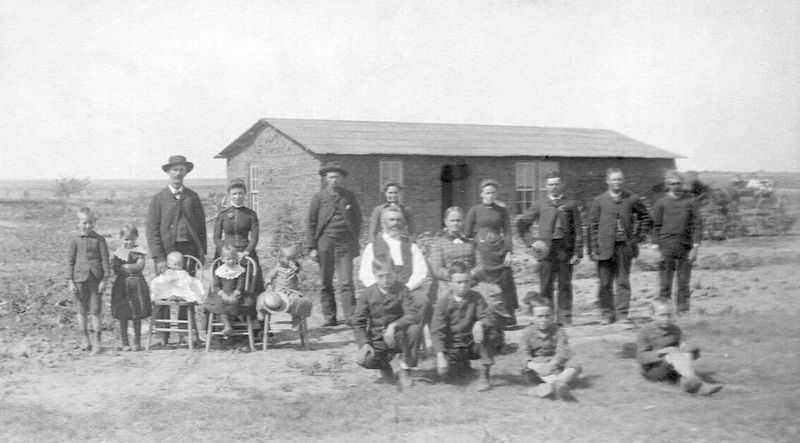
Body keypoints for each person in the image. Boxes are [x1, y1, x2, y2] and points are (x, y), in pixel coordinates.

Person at [146, 155, 207, 340]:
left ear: (186, 173)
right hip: (166, 252)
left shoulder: (192, 197)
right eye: (174, 169)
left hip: (189, 250)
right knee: (164, 291)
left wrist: (201, 252)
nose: (178, 173)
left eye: (181, 170)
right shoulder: (159, 199)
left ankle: (184, 332)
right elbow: (152, 229)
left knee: (186, 290)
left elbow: (201, 226)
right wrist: (159, 257)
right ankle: (163, 333)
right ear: (168, 172)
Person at [515, 172, 583, 324]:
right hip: (546, 251)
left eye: (556, 184)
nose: (554, 187)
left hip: (565, 250)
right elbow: (521, 224)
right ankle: (547, 317)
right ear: (546, 187)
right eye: (551, 184)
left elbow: (578, 229)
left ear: (562, 185)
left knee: (565, 284)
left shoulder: (570, 204)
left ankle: (565, 317)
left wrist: (578, 251)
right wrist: (531, 242)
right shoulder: (540, 204)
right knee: (546, 285)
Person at [588, 168, 651, 324]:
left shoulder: (632, 199)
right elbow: (592, 226)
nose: (617, 182)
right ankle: (606, 313)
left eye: (620, 179)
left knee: (623, 281)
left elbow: (646, 218)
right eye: (614, 179)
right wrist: (593, 248)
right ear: (607, 181)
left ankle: (622, 314)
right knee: (604, 283)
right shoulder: (599, 201)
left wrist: (637, 237)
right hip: (604, 248)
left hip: (625, 247)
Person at [352, 259, 425, 390]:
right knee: (364, 359)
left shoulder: (402, 290)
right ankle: (384, 367)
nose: (385, 280)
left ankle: (405, 369)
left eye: (389, 275)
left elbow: (413, 314)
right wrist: (365, 343)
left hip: (399, 335)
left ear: (394, 273)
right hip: (377, 338)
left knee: (414, 329)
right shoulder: (367, 294)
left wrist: (393, 326)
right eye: (381, 276)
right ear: (374, 274)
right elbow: (358, 322)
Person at [432, 261, 503, 392]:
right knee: (448, 377)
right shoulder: (443, 302)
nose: (463, 286)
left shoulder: (476, 297)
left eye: (466, 282)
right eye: (458, 282)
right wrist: (440, 355)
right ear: (450, 283)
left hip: (473, 343)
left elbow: (488, 316)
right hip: (453, 346)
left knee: (487, 332)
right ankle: (463, 366)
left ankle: (484, 376)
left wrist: (480, 323)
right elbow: (437, 331)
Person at [306, 161, 363, 326]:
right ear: (325, 179)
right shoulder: (318, 197)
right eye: (331, 177)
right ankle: (329, 318)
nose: (334, 180)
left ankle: (350, 316)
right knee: (325, 282)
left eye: (337, 177)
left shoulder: (349, 196)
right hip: (325, 243)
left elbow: (358, 220)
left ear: (342, 179)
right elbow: (310, 222)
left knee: (346, 282)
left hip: (344, 244)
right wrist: (312, 247)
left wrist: (353, 241)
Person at [636, 300, 723, 396]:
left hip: (673, 367)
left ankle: (690, 386)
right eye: (662, 315)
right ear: (652, 315)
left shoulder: (675, 329)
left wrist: (687, 347)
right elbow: (641, 357)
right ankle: (696, 381)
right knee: (673, 352)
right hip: (653, 370)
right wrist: (662, 352)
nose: (666, 319)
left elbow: (685, 346)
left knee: (685, 352)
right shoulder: (645, 331)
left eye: (669, 315)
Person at [464, 178, 518, 326]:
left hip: (499, 250)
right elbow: (467, 234)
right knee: (485, 282)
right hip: (482, 252)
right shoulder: (474, 210)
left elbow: (507, 232)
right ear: (481, 194)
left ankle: (507, 317)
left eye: (493, 193)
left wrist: (508, 252)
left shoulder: (502, 211)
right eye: (487, 193)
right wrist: (475, 245)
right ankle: (487, 316)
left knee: (505, 282)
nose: (490, 196)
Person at [651, 172, 702, 314]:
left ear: (682, 184)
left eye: (678, 183)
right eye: (673, 184)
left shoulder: (690, 202)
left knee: (683, 283)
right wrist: (656, 249)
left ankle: (683, 313)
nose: (676, 187)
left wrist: (695, 247)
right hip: (666, 248)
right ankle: (664, 314)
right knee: (665, 284)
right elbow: (655, 226)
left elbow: (698, 224)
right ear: (668, 185)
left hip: (685, 248)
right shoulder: (661, 203)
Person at [66, 207, 110, 354]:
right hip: (79, 279)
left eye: (90, 222)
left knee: (95, 311)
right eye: (84, 222)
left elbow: (105, 261)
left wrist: (104, 279)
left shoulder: (99, 240)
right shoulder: (74, 240)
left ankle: (97, 341)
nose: (88, 226)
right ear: (78, 223)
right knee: (81, 310)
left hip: (95, 280)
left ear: (94, 223)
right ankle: (84, 339)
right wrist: (70, 281)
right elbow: (70, 262)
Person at [520, 297, 582, 399]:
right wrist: (535, 366)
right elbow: (523, 353)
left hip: (555, 364)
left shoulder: (559, 331)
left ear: (552, 316)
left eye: (547, 316)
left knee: (575, 365)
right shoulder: (527, 333)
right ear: (532, 317)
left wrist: (552, 364)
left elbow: (563, 350)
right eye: (539, 316)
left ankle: (552, 386)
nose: (544, 320)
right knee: (532, 368)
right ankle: (557, 385)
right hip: (537, 366)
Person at [213, 179, 265, 295]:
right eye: (234, 194)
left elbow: (255, 238)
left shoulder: (251, 214)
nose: (237, 197)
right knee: (223, 284)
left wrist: (246, 253)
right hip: (226, 254)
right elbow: (216, 237)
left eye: (240, 193)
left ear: (245, 194)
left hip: (245, 253)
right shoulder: (223, 214)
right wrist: (224, 251)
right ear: (229, 195)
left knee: (248, 285)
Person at [110, 224, 151, 351]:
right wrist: (124, 268)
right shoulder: (118, 253)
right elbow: (116, 267)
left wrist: (126, 267)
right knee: (123, 314)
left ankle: (137, 341)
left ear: (136, 238)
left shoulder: (139, 252)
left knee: (136, 312)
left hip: (136, 284)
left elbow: (140, 266)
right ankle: (125, 342)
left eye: (131, 239)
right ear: (121, 238)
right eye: (126, 239)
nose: (129, 242)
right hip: (122, 285)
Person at [256, 245, 312, 330]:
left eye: (291, 259)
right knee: (264, 298)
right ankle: (261, 314)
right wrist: (269, 285)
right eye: (286, 259)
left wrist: (297, 270)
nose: (288, 261)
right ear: (281, 258)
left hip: (292, 291)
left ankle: (296, 319)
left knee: (298, 302)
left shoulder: (296, 269)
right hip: (279, 292)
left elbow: (303, 278)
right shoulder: (277, 269)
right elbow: (269, 278)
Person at [428, 207, 478, 299]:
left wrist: (469, 275)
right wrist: (455, 277)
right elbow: (436, 269)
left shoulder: (471, 242)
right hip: (448, 282)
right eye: (452, 220)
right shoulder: (439, 243)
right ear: (446, 222)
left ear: (463, 222)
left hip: (470, 281)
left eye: (458, 220)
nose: (455, 223)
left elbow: (480, 265)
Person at [202, 246, 249, 336]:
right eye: (228, 259)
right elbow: (216, 286)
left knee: (234, 303)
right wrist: (223, 295)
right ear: (223, 259)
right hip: (222, 295)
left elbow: (240, 286)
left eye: (233, 258)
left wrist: (234, 294)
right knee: (220, 304)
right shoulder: (220, 271)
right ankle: (227, 325)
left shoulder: (240, 270)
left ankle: (228, 326)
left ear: (236, 259)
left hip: (235, 294)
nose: (231, 261)